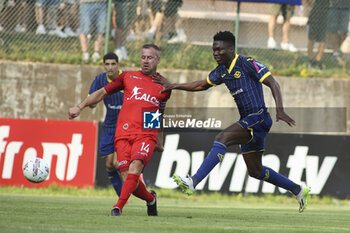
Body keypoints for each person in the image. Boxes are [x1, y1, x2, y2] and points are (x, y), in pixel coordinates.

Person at [154, 31, 310, 213]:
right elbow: (201, 85)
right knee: (255, 171)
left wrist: (280, 109)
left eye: (220, 50)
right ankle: (297, 189)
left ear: (231, 49)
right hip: (249, 121)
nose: (216, 53)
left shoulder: (247, 63)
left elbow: (273, 83)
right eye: (214, 50)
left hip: (258, 117)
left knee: (222, 138)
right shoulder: (221, 71)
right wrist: (174, 85)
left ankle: (193, 181)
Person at [68, 44, 171, 216]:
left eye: (150, 58)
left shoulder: (164, 86)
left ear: (158, 60)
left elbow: (157, 114)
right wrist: (80, 107)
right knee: (127, 177)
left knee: (136, 166)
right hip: (123, 133)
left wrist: (158, 139)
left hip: (145, 135)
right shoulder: (127, 77)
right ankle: (150, 199)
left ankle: (118, 207)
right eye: (143, 57)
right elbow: (102, 93)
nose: (145, 61)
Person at [88, 52, 124, 196]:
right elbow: (91, 103)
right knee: (110, 165)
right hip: (109, 126)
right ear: (103, 66)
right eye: (107, 64)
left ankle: (135, 189)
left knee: (117, 163)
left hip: (125, 126)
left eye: (113, 64)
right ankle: (123, 198)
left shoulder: (127, 78)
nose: (110, 67)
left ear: (118, 65)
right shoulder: (100, 80)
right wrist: (93, 102)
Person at [307, 0, 329, 69]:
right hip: (314, 15)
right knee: (311, 39)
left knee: (323, 40)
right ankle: (311, 60)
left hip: (325, 15)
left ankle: (318, 61)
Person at [327, 0, 350, 66]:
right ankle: (336, 53)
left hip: (346, 7)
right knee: (332, 30)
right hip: (333, 6)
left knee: (344, 31)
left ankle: (338, 50)